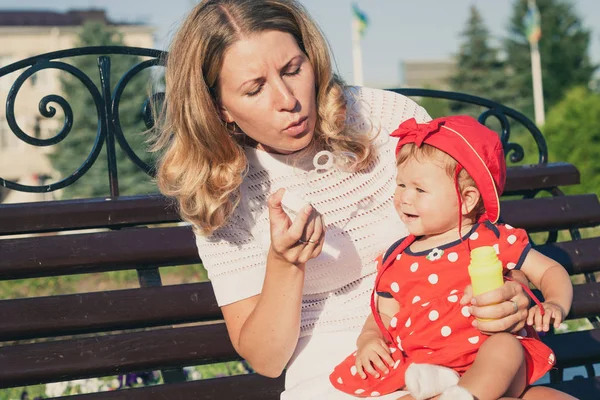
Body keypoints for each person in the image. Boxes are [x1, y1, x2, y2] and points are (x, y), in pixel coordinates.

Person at [153, 1, 568, 398]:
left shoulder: (383, 118)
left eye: (293, 69)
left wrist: (513, 292)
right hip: (344, 360)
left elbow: (474, 236)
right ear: (219, 107)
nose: (288, 100)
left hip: (459, 340)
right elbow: (266, 360)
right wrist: (286, 265)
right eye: (255, 88)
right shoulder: (219, 190)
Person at [330, 116, 574, 400]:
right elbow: (383, 314)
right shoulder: (397, 258)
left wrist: (555, 302)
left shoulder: (492, 239)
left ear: (467, 199)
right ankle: (456, 392)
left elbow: (549, 271)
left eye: (420, 189)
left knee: (505, 347)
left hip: (498, 366)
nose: (405, 198)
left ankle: (463, 394)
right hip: (429, 369)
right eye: (401, 185)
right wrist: (369, 338)